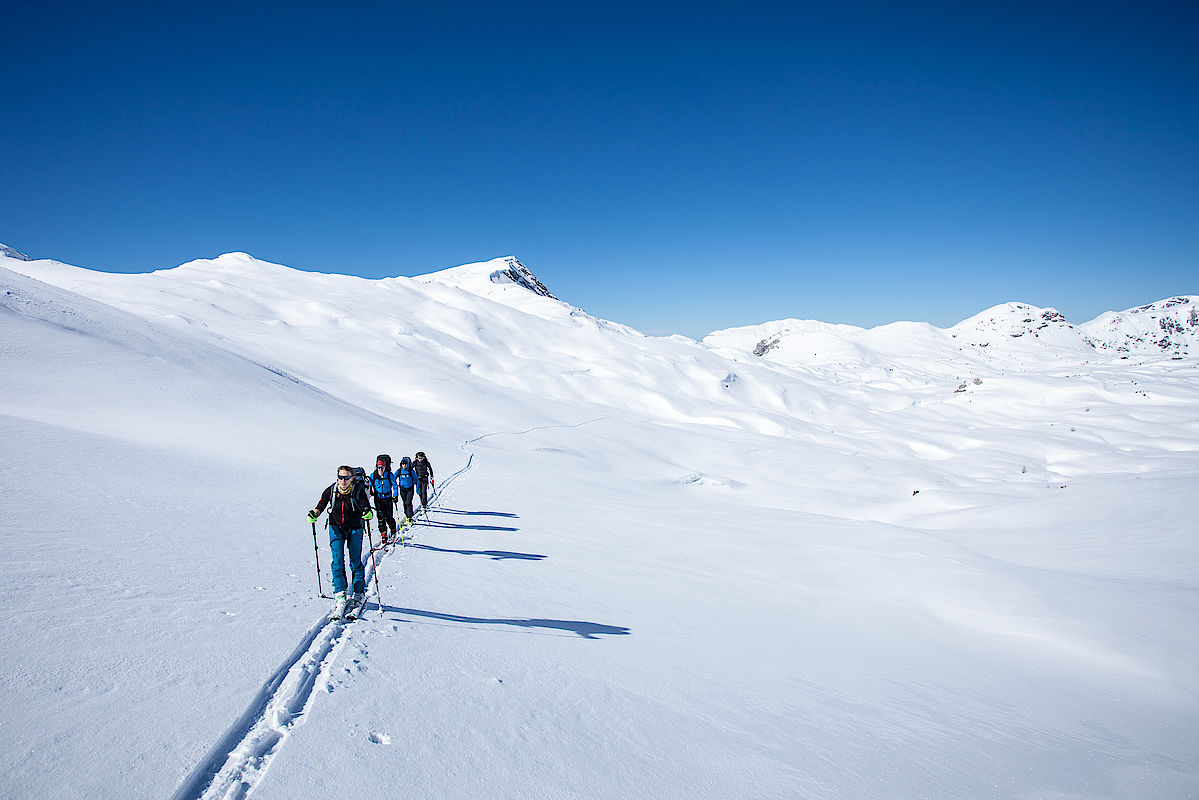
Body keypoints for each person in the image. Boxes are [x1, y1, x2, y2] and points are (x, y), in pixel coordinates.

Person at [307, 466, 372, 616]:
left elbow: (365, 505)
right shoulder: (331, 490)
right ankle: (340, 592)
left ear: (352, 478)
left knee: (355, 561)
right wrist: (314, 514)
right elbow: (321, 505)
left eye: (346, 477)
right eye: (341, 477)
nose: (343, 481)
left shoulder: (357, 490)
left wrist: (367, 512)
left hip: (355, 527)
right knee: (337, 561)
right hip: (335, 527)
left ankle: (358, 593)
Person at [370, 454, 398, 545]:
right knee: (381, 517)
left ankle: (393, 530)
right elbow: (368, 485)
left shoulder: (390, 475)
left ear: (385, 467)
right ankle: (384, 535)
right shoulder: (373, 475)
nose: (380, 470)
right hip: (378, 499)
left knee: (389, 516)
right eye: (378, 468)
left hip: (388, 498)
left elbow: (395, 485)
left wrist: (395, 495)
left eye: (382, 467)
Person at [395, 456, 416, 524]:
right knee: (404, 503)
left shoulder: (411, 471)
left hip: (410, 489)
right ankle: (407, 515)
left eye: (405, 464)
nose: (404, 465)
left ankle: (410, 517)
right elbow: (393, 478)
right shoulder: (399, 471)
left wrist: (418, 489)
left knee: (408, 502)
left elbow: (416, 480)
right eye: (402, 464)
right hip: (402, 489)